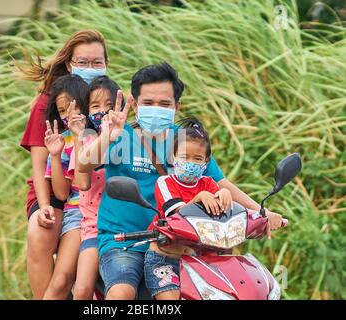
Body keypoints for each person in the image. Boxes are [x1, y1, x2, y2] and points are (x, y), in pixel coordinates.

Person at [77, 61, 285, 300]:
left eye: (165, 104)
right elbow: (84, 164)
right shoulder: (118, 135)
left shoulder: (187, 141)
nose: (157, 108)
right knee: (122, 293)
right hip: (124, 243)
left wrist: (261, 211)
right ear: (134, 104)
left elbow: (221, 183)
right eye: (148, 102)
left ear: (177, 106)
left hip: (178, 243)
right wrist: (107, 136)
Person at [19, 29, 108, 299]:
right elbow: (40, 163)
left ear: (106, 65)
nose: (89, 68)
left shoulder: (105, 101)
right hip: (54, 189)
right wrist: (45, 206)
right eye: (82, 62)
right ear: (70, 64)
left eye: (97, 63)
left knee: (70, 277)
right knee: (40, 230)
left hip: (93, 193)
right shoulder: (50, 101)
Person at [145, 117, 232, 300]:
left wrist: (225, 195)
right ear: (173, 157)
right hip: (165, 258)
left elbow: (223, 214)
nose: (191, 163)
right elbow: (176, 215)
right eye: (185, 157)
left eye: (197, 158)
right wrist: (199, 198)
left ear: (206, 163)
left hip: (199, 259)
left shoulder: (209, 183)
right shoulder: (164, 183)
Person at [70, 76, 124, 300]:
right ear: (86, 111)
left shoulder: (127, 139)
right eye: (95, 106)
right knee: (82, 289)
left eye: (109, 106)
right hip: (94, 227)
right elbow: (82, 183)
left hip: (122, 227)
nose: (102, 111)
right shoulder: (85, 142)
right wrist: (77, 136)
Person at [41, 74, 89, 299]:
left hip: (107, 213)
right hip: (77, 213)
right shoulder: (61, 141)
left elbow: (86, 182)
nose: (69, 114)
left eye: (74, 107)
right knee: (61, 280)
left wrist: (81, 138)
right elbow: (62, 192)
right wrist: (56, 155)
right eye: (62, 111)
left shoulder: (104, 135)